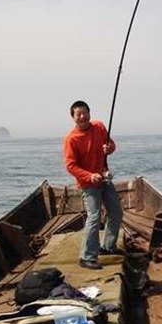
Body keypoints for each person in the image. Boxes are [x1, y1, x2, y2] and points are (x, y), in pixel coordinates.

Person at [63, 100, 123, 270]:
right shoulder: (71, 139)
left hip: (104, 178)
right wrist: (90, 176)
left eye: (85, 113)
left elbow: (111, 144)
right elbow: (70, 166)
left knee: (116, 212)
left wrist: (109, 148)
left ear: (89, 113)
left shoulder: (99, 126)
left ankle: (108, 246)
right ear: (73, 117)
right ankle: (87, 256)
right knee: (94, 216)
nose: (82, 116)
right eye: (78, 114)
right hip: (88, 184)